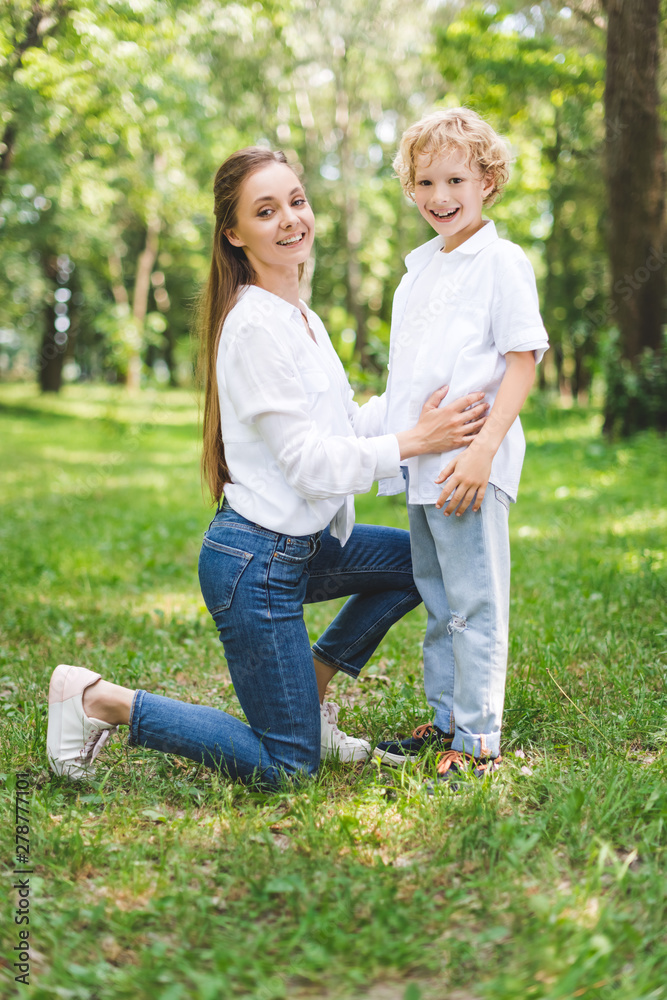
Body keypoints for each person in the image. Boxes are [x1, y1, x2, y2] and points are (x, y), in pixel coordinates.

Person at [46, 146, 489, 789]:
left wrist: (411, 416)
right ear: (234, 233)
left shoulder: (301, 319)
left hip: (302, 548)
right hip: (255, 566)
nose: (290, 219)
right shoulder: (253, 326)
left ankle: (308, 693)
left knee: (421, 564)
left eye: (296, 201)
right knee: (287, 767)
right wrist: (415, 442)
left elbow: (340, 430)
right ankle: (99, 700)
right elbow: (311, 465)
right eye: (266, 210)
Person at [373, 108, 549, 788]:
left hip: (471, 464)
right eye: (425, 182)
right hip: (425, 464)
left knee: (475, 600)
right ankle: (445, 720)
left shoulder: (500, 261)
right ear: (410, 188)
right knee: (438, 598)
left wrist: (482, 453)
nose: (439, 196)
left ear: (487, 181)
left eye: (455, 179)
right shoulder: (417, 272)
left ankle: (477, 739)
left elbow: (522, 360)